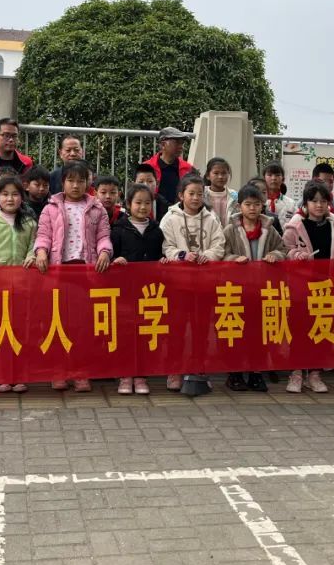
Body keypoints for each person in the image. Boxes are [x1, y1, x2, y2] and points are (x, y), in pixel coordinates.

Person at [32, 160, 113, 393]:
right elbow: (43, 235)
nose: (75, 185)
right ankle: (59, 370)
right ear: (62, 182)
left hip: (85, 273)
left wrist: (105, 252)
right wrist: (41, 252)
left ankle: (80, 371)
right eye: (71, 180)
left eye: (81, 181)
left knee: (82, 325)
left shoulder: (97, 209)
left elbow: (103, 236)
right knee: (58, 323)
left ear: (88, 183)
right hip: (59, 272)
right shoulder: (51, 208)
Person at [283, 180, 334, 394]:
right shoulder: (295, 226)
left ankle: (315, 373)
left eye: (323, 201)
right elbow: (285, 250)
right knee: (299, 330)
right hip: (301, 288)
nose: (319, 205)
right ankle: (296, 373)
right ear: (305, 203)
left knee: (322, 330)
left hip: (326, 287)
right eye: (314, 201)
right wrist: (296, 254)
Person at [160, 173, 226, 393]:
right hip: (178, 284)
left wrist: (207, 256)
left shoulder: (211, 218)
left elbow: (219, 244)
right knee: (176, 328)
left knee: (201, 329)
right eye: (191, 193)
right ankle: (174, 370)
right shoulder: (170, 218)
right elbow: (166, 246)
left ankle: (200, 369)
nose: (196, 198)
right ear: (181, 195)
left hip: (204, 284)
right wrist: (182, 255)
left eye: (199, 194)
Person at [223, 184, 286, 392]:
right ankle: (234, 373)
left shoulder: (269, 228)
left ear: (262, 205)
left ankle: (256, 373)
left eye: (256, 204)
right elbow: (222, 253)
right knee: (237, 331)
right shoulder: (231, 229)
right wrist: (234, 259)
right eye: (248, 204)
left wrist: (274, 255)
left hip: (262, 289)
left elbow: (283, 249)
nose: (252, 208)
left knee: (259, 332)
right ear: (240, 206)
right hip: (237, 290)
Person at [0, 175, 39, 394]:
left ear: (22, 197)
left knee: (21, 330)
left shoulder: (29, 223)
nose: (10, 199)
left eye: (15, 194)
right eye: (5, 194)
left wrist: (32, 257)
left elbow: (34, 246)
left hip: (22, 286)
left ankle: (20, 374)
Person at [110, 183, 166, 395]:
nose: (143, 207)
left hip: (149, 293)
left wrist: (163, 261)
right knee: (125, 332)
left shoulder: (156, 231)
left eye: (147, 203)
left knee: (145, 333)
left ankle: (142, 375)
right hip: (125, 292)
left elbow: (160, 254)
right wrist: (116, 261)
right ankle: (125, 375)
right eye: (138, 202)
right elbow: (110, 255)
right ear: (128, 204)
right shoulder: (118, 230)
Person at [144, 127, 195, 207]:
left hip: (180, 212)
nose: (181, 147)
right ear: (163, 145)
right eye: (177, 142)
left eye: (182, 143)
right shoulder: (147, 168)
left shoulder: (188, 169)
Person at [204, 157, 238, 228]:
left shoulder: (234, 196)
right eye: (216, 173)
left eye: (224, 173)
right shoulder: (201, 195)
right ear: (208, 176)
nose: (220, 177)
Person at [262, 162, 298, 228]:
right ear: (264, 178)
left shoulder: (291, 204)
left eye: (277, 175)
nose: (273, 178)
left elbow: (297, 225)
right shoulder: (258, 202)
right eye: (269, 175)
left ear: (283, 179)